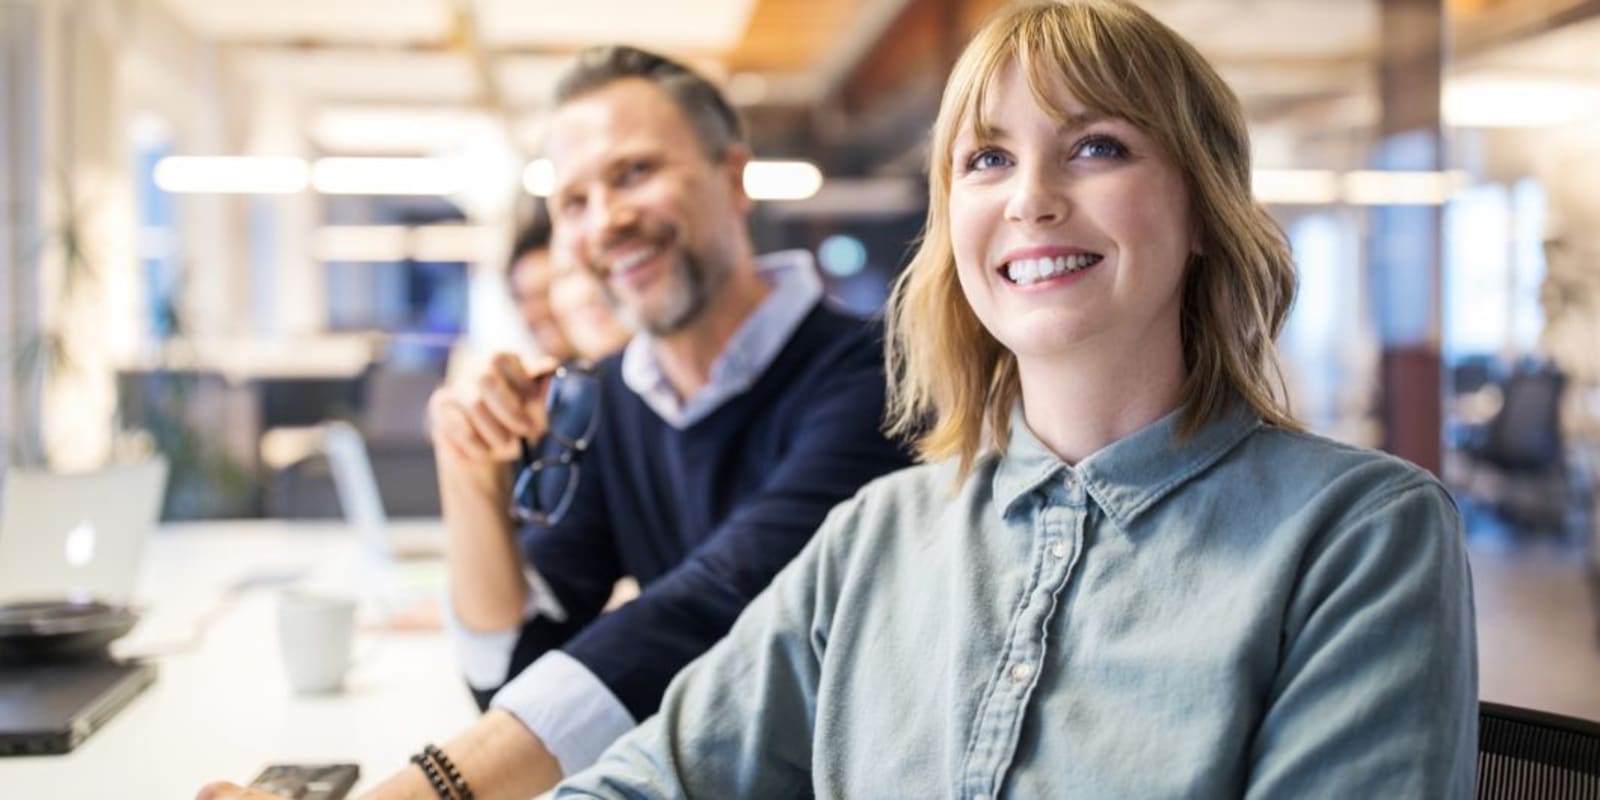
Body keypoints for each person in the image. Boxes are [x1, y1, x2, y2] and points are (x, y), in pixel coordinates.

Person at [555, 1, 1478, 797]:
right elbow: (654, 778)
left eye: (1097, 146)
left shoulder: (1361, 533)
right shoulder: (876, 534)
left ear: (1202, 208)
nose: (1031, 199)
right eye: (987, 160)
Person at [199, 45, 911, 800]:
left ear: (733, 177)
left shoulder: (874, 378)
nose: (607, 221)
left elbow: (712, 614)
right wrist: (466, 466)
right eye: (572, 202)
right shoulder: (605, 397)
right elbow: (510, 672)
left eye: (635, 172)